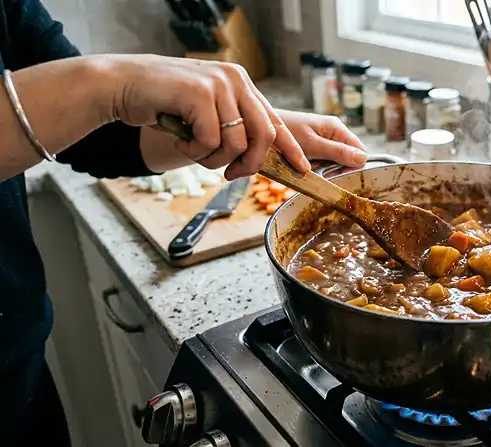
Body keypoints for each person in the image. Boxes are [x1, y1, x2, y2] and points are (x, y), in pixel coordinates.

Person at [0, 0, 368, 444]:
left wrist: (262, 132)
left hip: (17, 354)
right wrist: (113, 82)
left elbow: (96, 131)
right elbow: (101, 98)